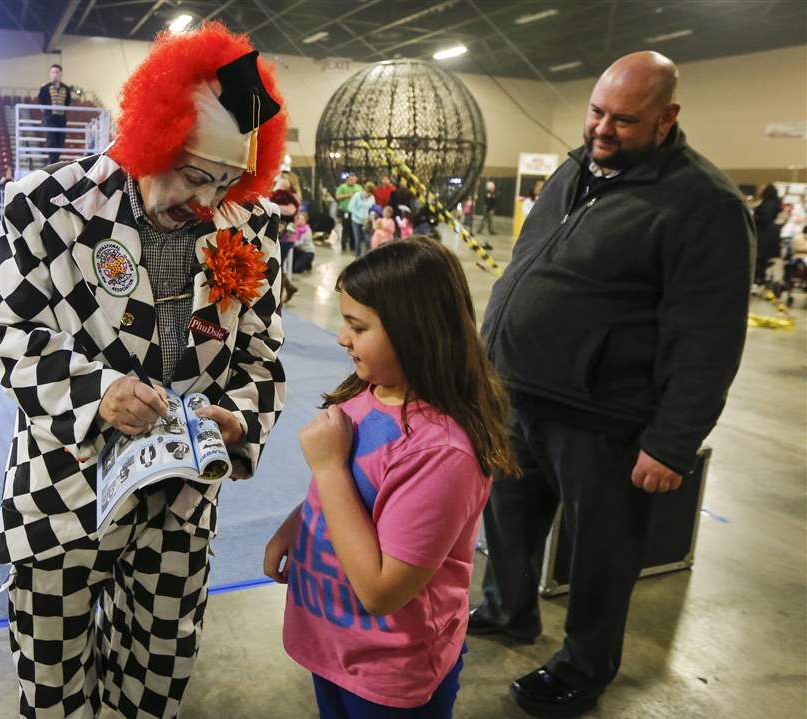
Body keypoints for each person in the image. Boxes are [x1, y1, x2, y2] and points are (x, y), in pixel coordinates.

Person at [0, 23, 288, 718]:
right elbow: (9, 330)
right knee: (54, 684)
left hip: (179, 505)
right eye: (193, 174)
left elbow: (264, 355)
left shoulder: (252, 224)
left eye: (227, 180)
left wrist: (237, 419)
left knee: (157, 682)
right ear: (154, 133)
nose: (208, 201)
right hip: (63, 493)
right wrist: (99, 393)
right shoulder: (46, 204)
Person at [472, 51, 755, 718]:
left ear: (667, 118)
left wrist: (673, 442)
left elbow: (710, 336)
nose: (601, 129)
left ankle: (583, 666)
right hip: (519, 391)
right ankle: (510, 609)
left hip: (605, 415)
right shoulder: (576, 166)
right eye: (596, 112)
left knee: (601, 550)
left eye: (623, 120)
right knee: (507, 515)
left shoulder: (702, 204)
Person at [264, 236, 517, 718]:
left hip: (388, 671)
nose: (341, 338)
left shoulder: (442, 453)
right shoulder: (368, 394)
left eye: (357, 326)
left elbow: (383, 591)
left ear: (413, 331)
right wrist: (295, 526)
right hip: (336, 644)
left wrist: (327, 465)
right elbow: (353, 494)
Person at [271, 176, 301, 303]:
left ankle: (279, 299)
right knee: (277, 265)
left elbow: (290, 211)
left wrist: (272, 203)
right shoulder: (277, 197)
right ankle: (289, 287)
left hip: (287, 236)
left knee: (278, 265)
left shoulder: (292, 199)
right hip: (279, 235)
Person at [38, 63, 72, 164]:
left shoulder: (66, 88)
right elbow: (41, 103)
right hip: (50, 119)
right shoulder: (45, 88)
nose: (55, 74)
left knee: (60, 142)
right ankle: (52, 163)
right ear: (50, 74)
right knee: (51, 141)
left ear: (61, 74)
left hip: (61, 119)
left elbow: (68, 102)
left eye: (57, 72)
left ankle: (54, 162)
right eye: (53, 72)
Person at [753, 183, 783, 284]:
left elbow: (765, 218)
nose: (759, 190)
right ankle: (759, 281)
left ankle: (758, 282)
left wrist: (752, 216)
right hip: (768, 234)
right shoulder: (772, 202)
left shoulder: (769, 203)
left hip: (765, 235)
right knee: (761, 261)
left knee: (760, 260)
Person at [348, 181, 376, 258]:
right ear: (364, 190)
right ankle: (357, 257)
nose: (369, 195)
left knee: (368, 240)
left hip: (367, 222)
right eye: (368, 193)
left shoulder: (372, 197)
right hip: (356, 221)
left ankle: (368, 257)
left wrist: (372, 215)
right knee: (358, 240)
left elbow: (373, 208)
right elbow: (350, 208)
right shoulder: (357, 196)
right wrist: (361, 217)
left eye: (371, 194)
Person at [335, 174, 360, 252]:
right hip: (346, 212)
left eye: (353, 180)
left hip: (356, 212)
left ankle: (353, 245)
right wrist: (348, 195)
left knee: (354, 229)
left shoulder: (359, 187)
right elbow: (337, 197)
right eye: (350, 180)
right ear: (347, 180)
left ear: (356, 180)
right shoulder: (342, 187)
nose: (352, 181)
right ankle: (344, 245)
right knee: (346, 228)